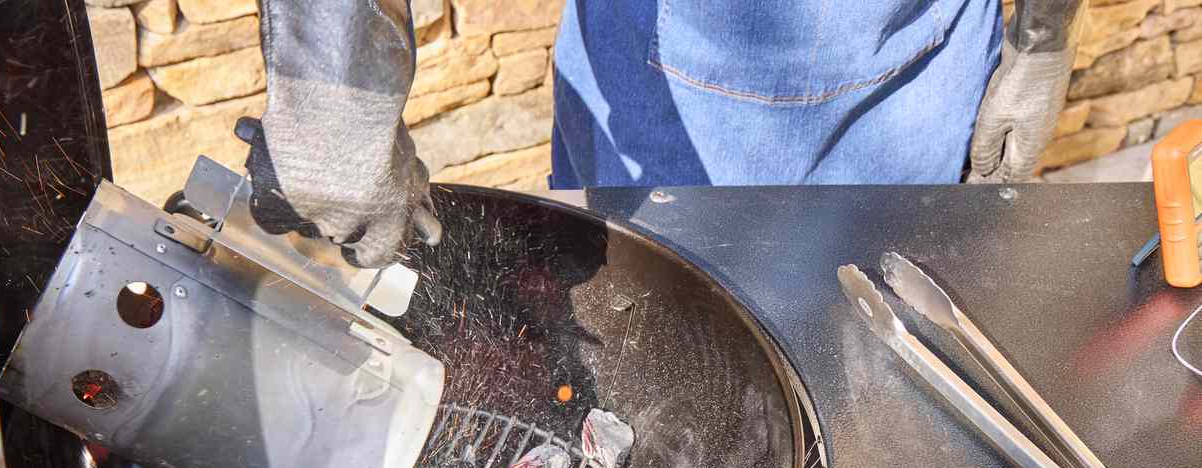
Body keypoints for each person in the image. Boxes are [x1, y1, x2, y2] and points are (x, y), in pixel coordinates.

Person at [241, 0, 1085, 267]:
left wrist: (1042, 35)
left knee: (875, 397)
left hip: (921, 64)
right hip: (669, 67)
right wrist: (333, 90)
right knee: (675, 378)